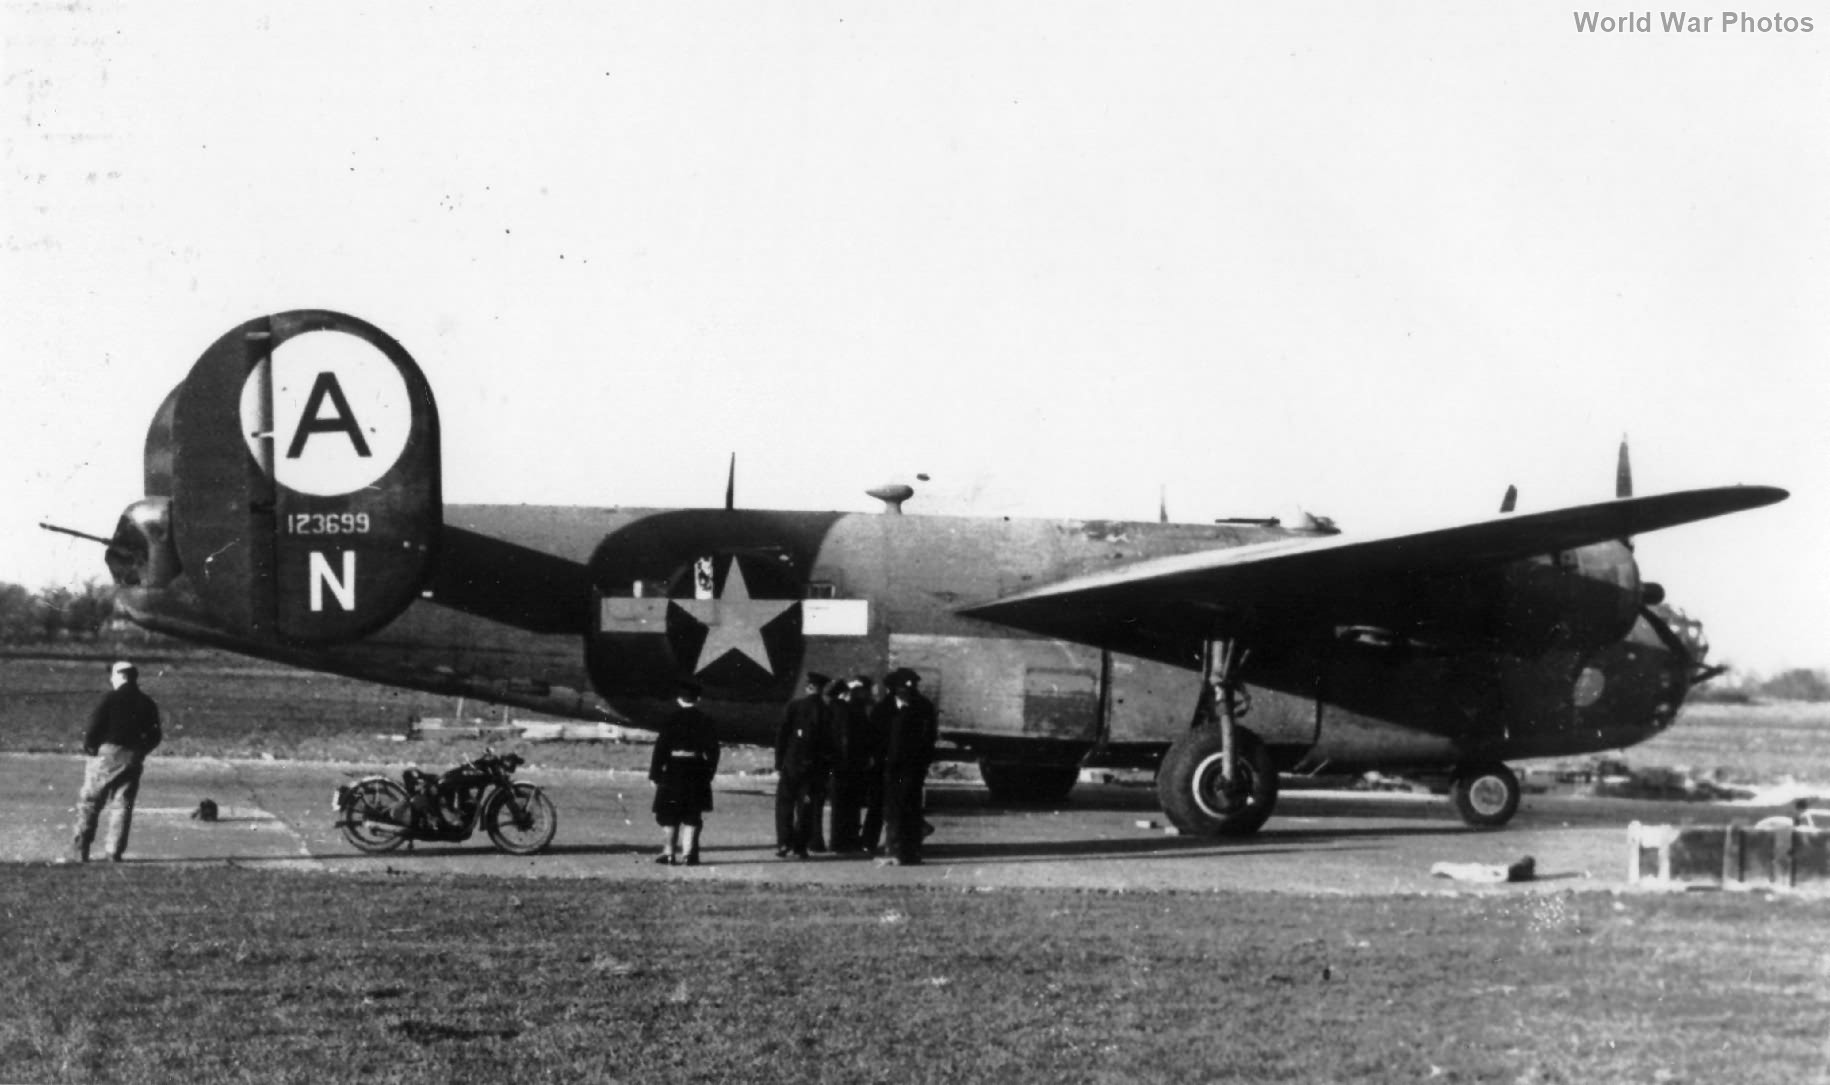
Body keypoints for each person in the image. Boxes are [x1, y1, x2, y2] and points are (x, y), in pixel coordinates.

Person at [66, 661, 162, 864]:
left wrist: (91, 747)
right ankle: (114, 852)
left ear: (120, 676)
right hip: (133, 756)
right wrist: (141, 751)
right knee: (123, 804)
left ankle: (80, 849)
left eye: (113, 675)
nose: (111, 679)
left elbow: (94, 727)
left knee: (90, 802)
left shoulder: (110, 698)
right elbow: (155, 735)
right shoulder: (147, 702)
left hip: (107, 755)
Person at [648, 681, 720, 866]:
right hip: (697, 769)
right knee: (692, 813)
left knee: (670, 813)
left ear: (678, 699)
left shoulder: (670, 719)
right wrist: (709, 772)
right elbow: (713, 750)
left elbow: (660, 748)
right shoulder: (706, 720)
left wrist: (655, 774)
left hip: (673, 769)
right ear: (698, 699)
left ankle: (669, 852)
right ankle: (689, 854)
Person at [875, 667, 938, 866]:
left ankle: (902, 852)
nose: (908, 691)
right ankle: (901, 851)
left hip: (912, 767)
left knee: (904, 808)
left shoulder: (923, 708)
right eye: (904, 688)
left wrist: (923, 763)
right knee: (895, 809)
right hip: (890, 767)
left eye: (911, 687)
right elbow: (876, 738)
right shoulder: (884, 709)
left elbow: (929, 739)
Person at [775, 671, 831, 859]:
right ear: (822, 689)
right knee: (807, 807)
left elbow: (782, 735)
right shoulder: (826, 710)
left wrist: (778, 762)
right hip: (814, 768)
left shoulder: (794, 706)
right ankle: (800, 846)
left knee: (785, 804)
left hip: (791, 764)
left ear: (808, 687)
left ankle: (784, 842)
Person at [827, 677, 875, 854]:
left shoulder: (851, 709)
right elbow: (846, 739)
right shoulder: (846, 710)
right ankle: (841, 842)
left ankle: (846, 840)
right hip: (847, 765)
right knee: (844, 806)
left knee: (848, 806)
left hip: (848, 765)